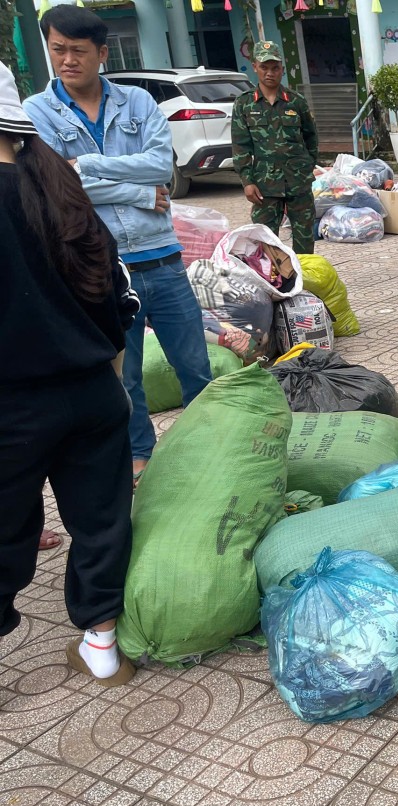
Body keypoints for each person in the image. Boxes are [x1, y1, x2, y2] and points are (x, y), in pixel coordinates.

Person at [24, 5, 211, 489]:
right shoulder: (35, 112)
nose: (67, 60)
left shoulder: (139, 103)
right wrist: (139, 191)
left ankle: (212, 440)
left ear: (102, 54)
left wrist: (84, 167)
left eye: (78, 51)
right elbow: (52, 188)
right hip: (96, 265)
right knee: (124, 377)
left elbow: (159, 165)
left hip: (161, 256)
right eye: (57, 49)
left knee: (195, 364)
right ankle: (140, 456)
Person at [0, 61, 139, 686]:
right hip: (91, 394)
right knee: (100, 519)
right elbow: (118, 295)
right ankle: (101, 645)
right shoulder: (58, 190)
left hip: (10, 408)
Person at [231, 40, 320, 255]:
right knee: (265, 241)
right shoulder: (244, 104)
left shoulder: (296, 101)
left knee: (305, 240)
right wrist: (247, 181)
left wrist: (307, 167)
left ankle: (304, 282)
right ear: (255, 66)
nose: (269, 73)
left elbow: (311, 138)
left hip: (298, 182)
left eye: (275, 68)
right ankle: (275, 284)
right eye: (264, 67)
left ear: (282, 69)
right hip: (265, 185)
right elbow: (241, 146)